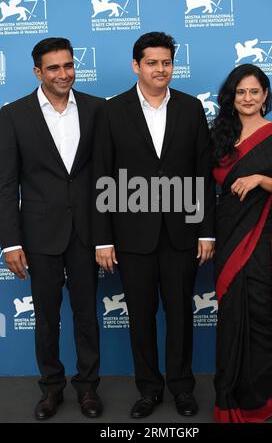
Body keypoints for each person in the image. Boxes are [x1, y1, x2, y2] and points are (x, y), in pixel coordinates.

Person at [92, 31, 215, 418]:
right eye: (152, 62)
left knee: (180, 315)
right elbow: (103, 176)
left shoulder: (191, 108)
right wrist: (103, 239)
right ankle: (148, 389)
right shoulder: (112, 112)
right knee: (140, 317)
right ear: (136, 65)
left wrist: (205, 230)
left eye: (166, 62)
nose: (160, 69)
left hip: (181, 234)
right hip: (131, 237)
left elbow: (201, 175)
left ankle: (181, 388)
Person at [0, 37, 104, 420]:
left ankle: (88, 389)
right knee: (45, 317)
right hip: (39, 233)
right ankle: (51, 388)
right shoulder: (13, 115)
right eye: (54, 68)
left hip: (87, 231)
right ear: (37, 72)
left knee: (86, 315)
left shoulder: (96, 109)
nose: (64, 74)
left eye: (68, 65)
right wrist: (10, 242)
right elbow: (6, 184)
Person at [210, 63, 272, 423]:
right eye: (240, 92)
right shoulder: (218, 136)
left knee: (262, 310)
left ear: (265, 97)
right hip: (227, 233)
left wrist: (262, 179)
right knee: (232, 312)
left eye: (254, 91)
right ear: (231, 98)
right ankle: (232, 391)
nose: (247, 98)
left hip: (265, 238)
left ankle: (266, 393)